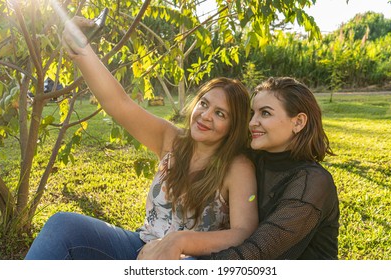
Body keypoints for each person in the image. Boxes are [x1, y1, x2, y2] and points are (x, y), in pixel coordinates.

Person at [24, 17, 258, 260]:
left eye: (220, 113)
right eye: (204, 104)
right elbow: (118, 104)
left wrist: (178, 242)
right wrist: (82, 50)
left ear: (234, 125)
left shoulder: (237, 167)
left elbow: (243, 232)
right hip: (141, 248)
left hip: (190, 263)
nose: (205, 116)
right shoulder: (172, 140)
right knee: (63, 225)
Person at [155, 77, 340, 259]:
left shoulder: (312, 182)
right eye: (253, 114)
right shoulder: (253, 159)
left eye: (265, 113)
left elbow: (258, 254)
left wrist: (183, 252)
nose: (252, 123)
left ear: (298, 122)